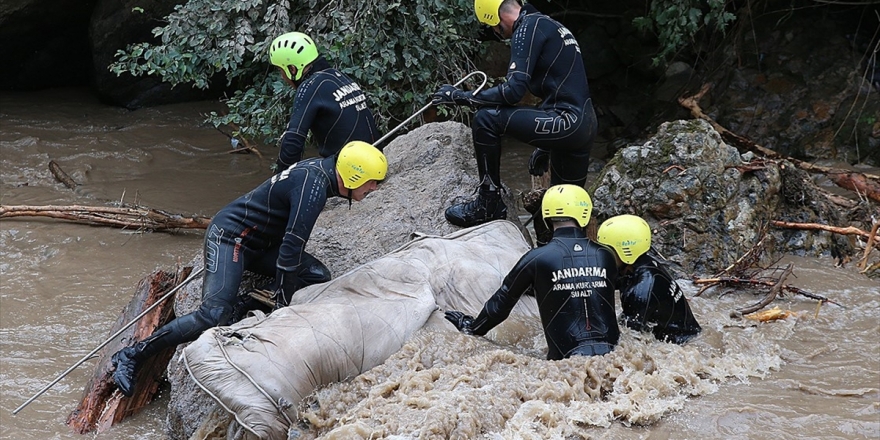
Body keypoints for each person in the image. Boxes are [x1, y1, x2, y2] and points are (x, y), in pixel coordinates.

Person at [110, 141, 387, 397]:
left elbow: (289, 250)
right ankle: (131, 355)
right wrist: (282, 308)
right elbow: (290, 252)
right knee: (213, 315)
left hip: (261, 243)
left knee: (316, 275)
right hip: (231, 238)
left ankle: (245, 303)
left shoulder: (322, 173)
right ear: (353, 176)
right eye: (372, 182)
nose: (374, 188)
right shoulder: (312, 187)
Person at [432, 0, 598, 228]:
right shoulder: (548, 24)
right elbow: (561, 89)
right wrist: (546, 146)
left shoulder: (526, 28)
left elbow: (512, 91)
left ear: (494, 19)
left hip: (565, 122)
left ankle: (488, 202)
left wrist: (460, 96)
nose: (496, 33)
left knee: (486, 118)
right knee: (567, 209)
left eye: (493, 28)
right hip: (584, 124)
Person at [444, 184, 620, 359]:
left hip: (567, 364)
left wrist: (472, 327)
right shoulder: (605, 255)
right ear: (585, 214)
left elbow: (501, 304)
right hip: (614, 357)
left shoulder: (536, 259)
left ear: (546, 216)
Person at [268, 32, 379, 173]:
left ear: (292, 69)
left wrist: (279, 179)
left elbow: (293, 141)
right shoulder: (337, 76)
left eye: (281, 70)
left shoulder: (310, 87)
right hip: (375, 159)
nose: (282, 77)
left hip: (353, 169)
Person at [596, 214, 702, 344]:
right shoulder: (642, 263)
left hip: (681, 345)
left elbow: (628, 340)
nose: (601, 255)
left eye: (606, 250)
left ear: (624, 252)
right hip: (686, 333)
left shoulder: (640, 291)